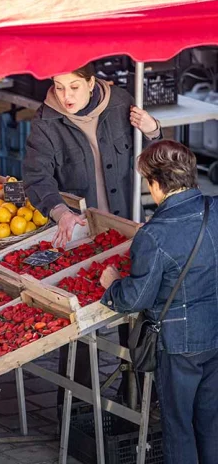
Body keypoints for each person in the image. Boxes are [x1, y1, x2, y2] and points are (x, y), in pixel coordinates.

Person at [22, 63, 162, 408]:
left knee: (136, 309)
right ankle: (76, 405)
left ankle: (137, 393)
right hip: (83, 233)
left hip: (127, 225)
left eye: (73, 87)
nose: (65, 96)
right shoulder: (45, 122)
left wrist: (153, 131)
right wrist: (59, 212)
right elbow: (37, 178)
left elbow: (158, 162)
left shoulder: (122, 103)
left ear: (91, 83)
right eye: (58, 86)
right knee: (83, 318)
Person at [100, 140, 218, 464]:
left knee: (179, 427)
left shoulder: (154, 234)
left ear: (156, 184)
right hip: (215, 332)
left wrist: (112, 285)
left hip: (180, 344)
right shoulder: (215, 209)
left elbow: (136, 297)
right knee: (211, 422)